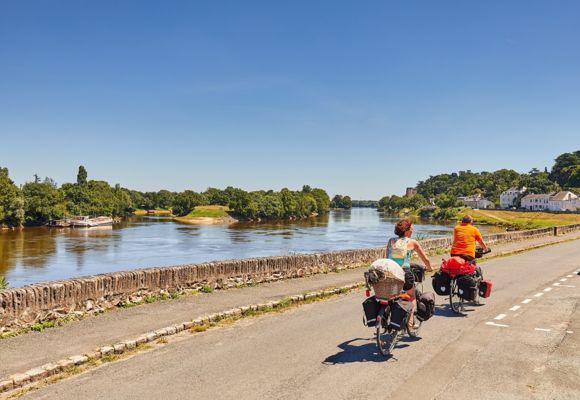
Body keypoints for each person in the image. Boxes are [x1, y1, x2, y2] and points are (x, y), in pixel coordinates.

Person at [386, 218, 433, 330]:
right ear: (406, 231)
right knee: (412, 296)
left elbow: (386, 257)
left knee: (392, 296)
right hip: (404, 273)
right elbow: (425, 259)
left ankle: (387, 317)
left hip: (390, 272)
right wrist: (430, 268)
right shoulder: (412, 242)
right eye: (411, 229)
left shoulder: (391, 241)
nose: (412, 231)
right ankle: (410, 323)